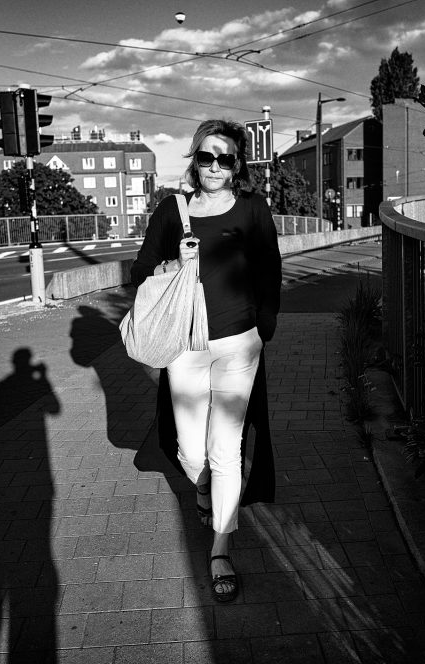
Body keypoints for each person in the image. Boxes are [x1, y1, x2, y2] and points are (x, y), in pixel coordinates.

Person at [130, 118, 282, 602]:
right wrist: (167, 266)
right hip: (187, 345)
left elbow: (270, 271)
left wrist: (264, 328)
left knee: (225, 449)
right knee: (193, 453)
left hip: (239, 344)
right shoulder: (172, 210)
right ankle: (203, 490)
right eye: (206, 156)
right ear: (194, 158)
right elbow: (139, 270)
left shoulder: (253, 208)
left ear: (238, 165)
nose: (214, 166)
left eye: (226, 158)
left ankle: (220, 548)